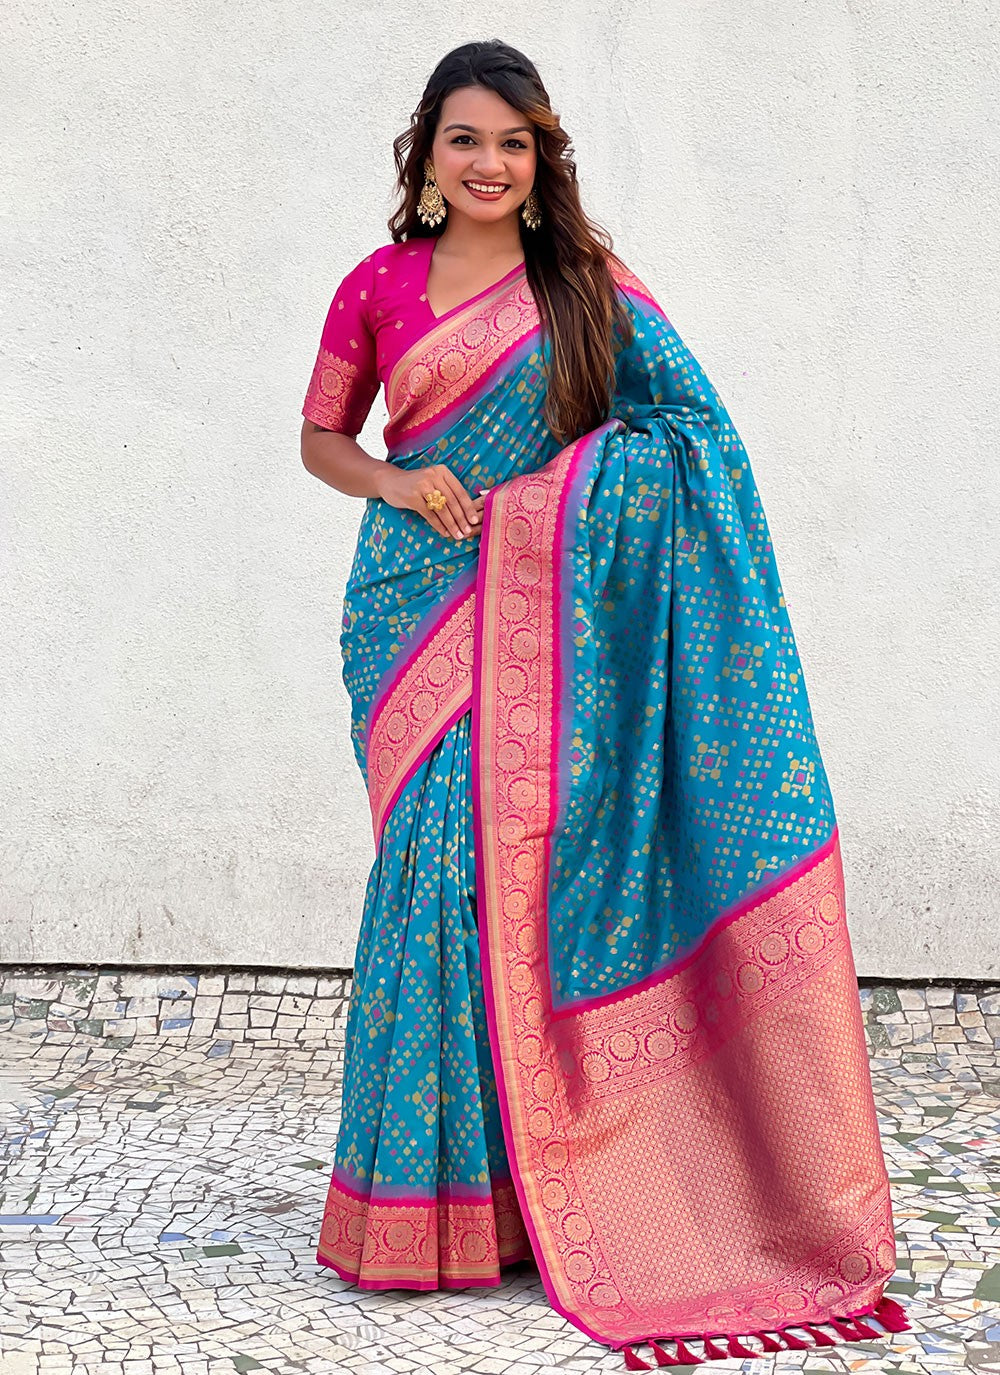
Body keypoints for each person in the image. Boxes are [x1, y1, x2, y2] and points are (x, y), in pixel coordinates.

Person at [299, 38, 908, 1370]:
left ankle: (529, 1201)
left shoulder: (585, 285)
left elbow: (696, 441)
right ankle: (423, 1206)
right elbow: (323, 439)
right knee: (428, 875)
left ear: (542, 159)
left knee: (510, 882)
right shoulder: (376, 286)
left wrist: (547, 508)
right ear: (426, 151)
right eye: (466, 139)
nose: (489, 163)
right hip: (410, 611)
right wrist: (399, 484)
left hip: (551, 626)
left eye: (513, 143)